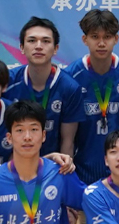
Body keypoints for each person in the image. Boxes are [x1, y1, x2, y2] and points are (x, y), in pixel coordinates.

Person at [67, 10, 119, 184]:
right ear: (85, 39)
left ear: (116, 39)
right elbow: (67, 135)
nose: (101, 43)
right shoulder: (71, 76)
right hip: (81, 173)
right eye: (95, 37)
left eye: (107, 37)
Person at [5, 16, 84, 159]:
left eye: (46, 41)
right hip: (14, 165)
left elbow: (68, 142)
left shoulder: (70, 88)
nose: (38, 46)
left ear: (56, 49)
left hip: (53, 165)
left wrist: (61, 170)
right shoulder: (8, 81)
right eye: (32, 40)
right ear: (21, 47)